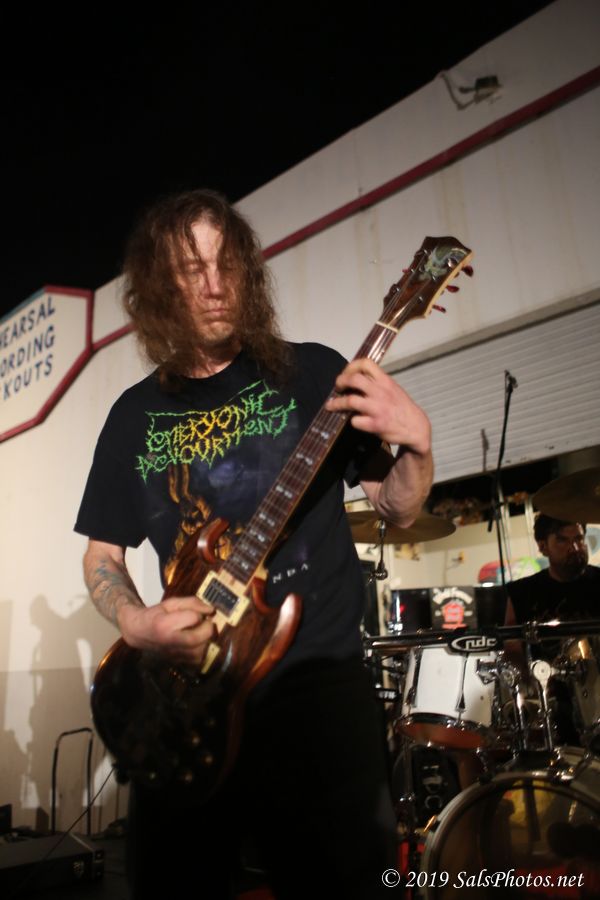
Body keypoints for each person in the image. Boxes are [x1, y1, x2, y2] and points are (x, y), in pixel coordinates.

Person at [75, 189, 433, 899]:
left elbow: (397, 507)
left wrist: (417, 444)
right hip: (186, 707)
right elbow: (102, 556)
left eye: (228, 263)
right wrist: (137, 623)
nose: (216, 285)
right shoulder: (132, 417)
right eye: (192, 269)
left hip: (315, 694)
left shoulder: (313, 374)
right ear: (159, 287)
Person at [505, 514, 600, 746]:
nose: (575, 547)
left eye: (578, 539)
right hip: (552, 702)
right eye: (562, 540)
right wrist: (528, 686)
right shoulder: (523, 593)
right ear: (542, 546)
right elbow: (511, 645)